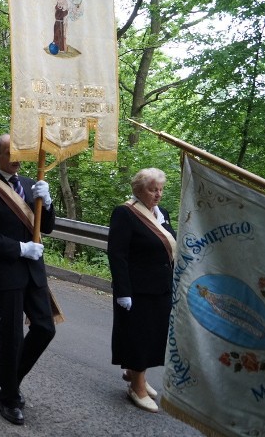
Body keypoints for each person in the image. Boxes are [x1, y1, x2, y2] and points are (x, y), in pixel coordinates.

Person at [0, 133, 56, 426]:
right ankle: (9, 396)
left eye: (20, 150)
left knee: (45, 328)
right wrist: (20, 248)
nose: (17, 157)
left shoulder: (33, 184)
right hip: (7, 269)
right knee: (12, 334)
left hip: (34, 269)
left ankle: (8, 375)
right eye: (10, 152)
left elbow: (45, 227)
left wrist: (48, 201)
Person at [108, 168, 176, 413]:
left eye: (160, 189)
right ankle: (136, 386)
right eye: (152, 189)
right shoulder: (125, 213)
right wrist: (123, 291)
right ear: (138, 190)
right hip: (137, 290)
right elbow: (117, 255)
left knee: (154, 336)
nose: (158, 194)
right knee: (140, 337)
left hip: (161, 287)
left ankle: (139, 377)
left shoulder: (163, 213)